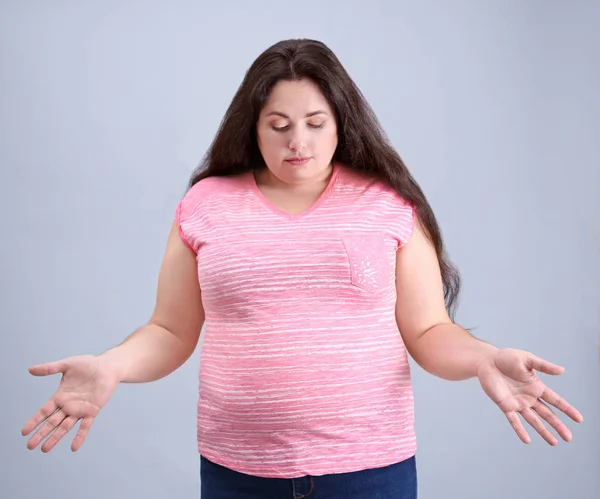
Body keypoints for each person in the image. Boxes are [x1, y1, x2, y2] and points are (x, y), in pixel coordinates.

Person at [21, 38, 583, 498]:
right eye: (279, 124)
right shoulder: (206, 205)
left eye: (315, 122)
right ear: (253, 126)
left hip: (370, 471)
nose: (299, 141)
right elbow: (169, 330)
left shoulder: (389, 205)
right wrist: (112, 366)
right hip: (237, 472)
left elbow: (429, 330)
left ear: (341, 122)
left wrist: (484, 358)